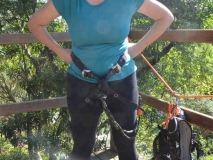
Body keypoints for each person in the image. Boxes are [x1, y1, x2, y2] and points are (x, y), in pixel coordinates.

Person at [28, 0, 173, 159]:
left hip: (122, 81)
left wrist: (137, 48)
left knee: (126, 146)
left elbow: (165, 17)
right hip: (81, 82)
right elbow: (35, 24)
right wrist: (61, 52)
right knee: (81, 147)